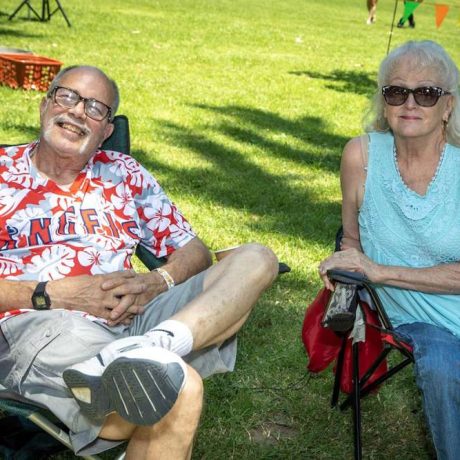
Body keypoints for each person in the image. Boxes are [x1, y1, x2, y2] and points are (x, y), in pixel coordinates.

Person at [0, 65, 279, 459]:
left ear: (106, 131)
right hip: (47, 324)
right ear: (45, 104)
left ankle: (154, 347)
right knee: (179, 386)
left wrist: (158, 281)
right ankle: (145, 359)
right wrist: (53, 294)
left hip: (138, 318)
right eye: (68, 96)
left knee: (256, 258)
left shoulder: (124, 174)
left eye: (96, 108)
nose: (79, 112)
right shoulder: (3, 172)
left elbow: (194, 250)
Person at [318, 40, 460, 460]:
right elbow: (353, 241)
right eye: (397, 92)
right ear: (384, 103)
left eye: (427, 93)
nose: (410, 103)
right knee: (441, 365)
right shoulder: (360, 156)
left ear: (447, 106)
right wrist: (347, 265)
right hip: (414, 317)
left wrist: (379, 271)